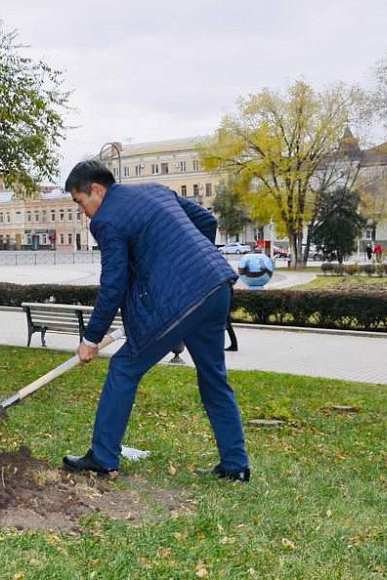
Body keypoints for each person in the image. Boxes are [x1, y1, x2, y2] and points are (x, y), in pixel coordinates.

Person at [60, 160, 250, 481]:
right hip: (215, 287)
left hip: (179, 302)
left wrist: (91, 338)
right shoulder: (155, 191)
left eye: (81, 202)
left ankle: (104, 457)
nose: (85, 212)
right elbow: (205, 220)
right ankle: (236, 465)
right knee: (214, 377)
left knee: (124, 367)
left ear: (96, 189)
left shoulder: (106, 220)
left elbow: (114, 284)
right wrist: (176, 260)